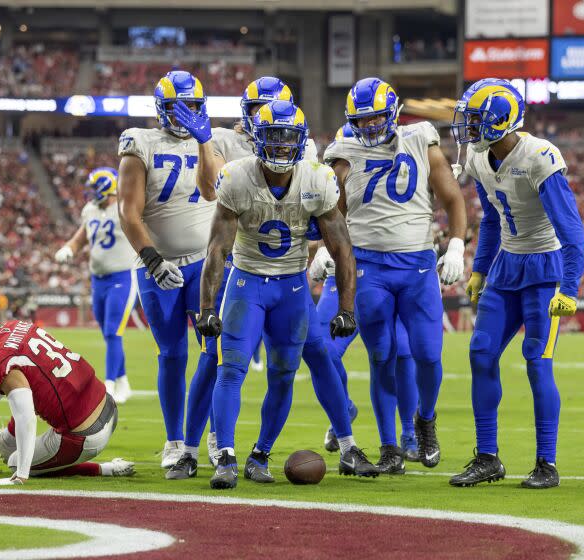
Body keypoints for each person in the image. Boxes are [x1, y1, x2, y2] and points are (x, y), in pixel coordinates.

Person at [169, 76, 372, 477]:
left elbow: (342, 248)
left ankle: (261, 454)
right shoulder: (238, 174)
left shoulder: (316, 175)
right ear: (256, 137)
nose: (281, 145)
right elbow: (217, 249)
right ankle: (212, 454)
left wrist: (347, 307)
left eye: (288, 138)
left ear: (300, 139)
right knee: (227, 367)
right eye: (273, 137)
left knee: (284, 373)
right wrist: (207, 306)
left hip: (293, 285)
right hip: (247, 282)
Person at [323, 77, 467, 474]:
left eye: (376, 119)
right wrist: (325, 250)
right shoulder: (342, 152)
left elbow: (453, 199)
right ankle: (389, 445)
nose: (369, 127)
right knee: (381, 356)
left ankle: (425, 419)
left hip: (418, 264)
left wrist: (456, 245)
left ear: (394, 114)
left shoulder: (421, 138)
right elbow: (331, 213)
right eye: (362, 121)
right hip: (368, 265)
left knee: (427, 354)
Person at [448, 78, 584, 489]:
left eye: (475, 120)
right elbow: (491, 218)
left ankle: (547, 463)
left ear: (499, 121)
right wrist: (480, 268)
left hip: (545, 269)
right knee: (481, 352)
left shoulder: (540, 156)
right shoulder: (478, 159)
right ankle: (488, 456)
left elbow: (571, 229)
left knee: (536, 361)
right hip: (507, 266)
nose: (467, 128)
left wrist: (571, 287)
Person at [117, 70, 225, 468]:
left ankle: (216, 435)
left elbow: (214, 190)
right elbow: (128, 211)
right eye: (177, 108)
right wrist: (152, 259)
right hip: (156, 265)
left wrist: (204, 141)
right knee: (173, 354)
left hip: (206, 263)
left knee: (214, 351)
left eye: (192, 107)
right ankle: (174, 440)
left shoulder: (211, 141)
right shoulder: (139, 141)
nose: (185, 115)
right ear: (160, 109)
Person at [311, 123, 420, 465]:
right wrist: (326, 248)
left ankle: (409, 434)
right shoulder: (333, 170)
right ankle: (341, 410)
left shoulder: (390, 163)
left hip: (383, 268)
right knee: (321, 350)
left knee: (401, 353)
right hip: (343, 277)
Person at [0, 303, 134, 484]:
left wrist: (21, 474)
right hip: (106, 405)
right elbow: (1, 383)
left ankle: (104, 469)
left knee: (15, 461)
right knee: (25, 386)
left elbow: (26, 417)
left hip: (85, 435)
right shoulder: (12, 328)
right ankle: (6, 440)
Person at [55, 167, 138, 403]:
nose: (91, 193)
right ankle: (122, 381)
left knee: (113, 331)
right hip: (98, 280)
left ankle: (109, 385)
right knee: (107, 333)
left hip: (122, 277)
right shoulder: (90, 210)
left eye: (94, 188)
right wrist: (69, 248)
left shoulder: (124, 208)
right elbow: (82, 236)